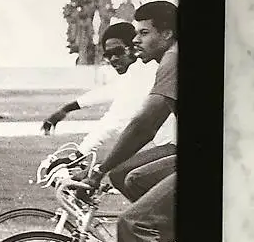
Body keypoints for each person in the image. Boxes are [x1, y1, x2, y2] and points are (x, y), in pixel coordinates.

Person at [79, 1, 178, 242]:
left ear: (167, 34)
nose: (136, 40)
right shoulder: (168, 60)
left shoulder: (174, 59)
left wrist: (98, 169)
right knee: (130, 177)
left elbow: (143, 125)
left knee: (133, 225)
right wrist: (109, 168)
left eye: (144, 33)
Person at [41, 22, 176, 174]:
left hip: (172, 147)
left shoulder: (144, 72)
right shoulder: (137, 71)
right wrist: (67, 109)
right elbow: (108, 91)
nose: (113, 59)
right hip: (168, 145)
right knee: (121, 174)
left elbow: (115, 119)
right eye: (108, 55)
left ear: (133, 47)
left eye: (117, 52)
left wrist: (78, 155)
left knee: (121, 175)